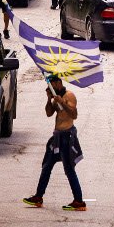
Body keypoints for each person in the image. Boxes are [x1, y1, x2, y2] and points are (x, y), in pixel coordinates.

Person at [22, 75, 86, 211]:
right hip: (57, 136)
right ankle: (38, 196)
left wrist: (62, 102)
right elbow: (49, 113)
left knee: (69, 169)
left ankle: (79, 201)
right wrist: (49, 99)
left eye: (52, 85)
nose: (50, 87)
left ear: (58, 83)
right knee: (46, 166)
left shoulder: (69, 95)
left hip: (67, 136)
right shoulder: (55, 97)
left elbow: (74, 115)